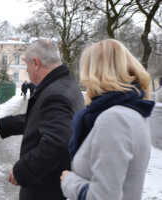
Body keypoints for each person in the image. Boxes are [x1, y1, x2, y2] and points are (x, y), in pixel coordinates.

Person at [0, 39, 84, 200]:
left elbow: (58, 142)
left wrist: (23, 170)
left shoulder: (55, 94)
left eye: (27, 64)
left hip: (47, 189)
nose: (27, 69)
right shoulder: (65, 84)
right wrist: (0, 124)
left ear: (36, 63)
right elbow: (37, 120)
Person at [60, 39, 155, 200]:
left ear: (95, 73)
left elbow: (103, 196)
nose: (84, 79)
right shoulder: (135, 112)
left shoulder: (114, 119)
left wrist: (69, 181)